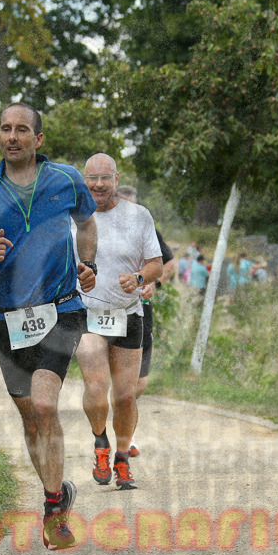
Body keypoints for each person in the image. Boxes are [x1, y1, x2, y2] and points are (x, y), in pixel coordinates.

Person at [0, 102, 98, 550]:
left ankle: (53, 514)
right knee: (31, 420)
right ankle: (58, 492)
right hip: (9, 319)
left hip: (62, 308)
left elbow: (87, 223)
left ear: (38, 139)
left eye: (21, 130)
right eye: (5, 129)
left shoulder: (66, 179)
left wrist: (88, 264)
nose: (12, 137)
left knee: (45, 404)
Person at [74, 157, 162, 492]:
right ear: (84, 180)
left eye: (105, 178)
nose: (98, 185)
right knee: (97, 388)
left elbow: (155, 264)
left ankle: (122, 460)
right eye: (92, 178)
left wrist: (139, 278)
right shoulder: (72, 217)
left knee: (125, 396)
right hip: (87, 314)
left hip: (128, 313)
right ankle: (101, 444)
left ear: (116, 179)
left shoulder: (138, 216)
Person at [116, 184, 175, 459]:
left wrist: (155, 283)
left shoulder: (148, 230)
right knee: (115, 382)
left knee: (138, 385)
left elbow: (169, 264)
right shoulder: (98, 228)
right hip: (109, 312)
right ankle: (125, 440)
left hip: (141, 311)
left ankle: (123, 423)